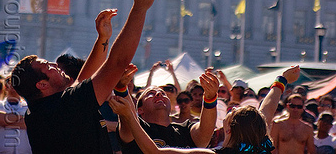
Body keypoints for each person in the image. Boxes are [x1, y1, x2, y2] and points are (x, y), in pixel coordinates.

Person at [10, 0, 163, 154]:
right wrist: (140, 8)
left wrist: (103, 39)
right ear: (42, 85)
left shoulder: (42, 110)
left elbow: (83, 79)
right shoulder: (63, 107)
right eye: (48, 66)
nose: (55, 64)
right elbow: (117, 63)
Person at [109, 66, 300, 154]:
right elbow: (266, 110)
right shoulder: (261, 146)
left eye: (230, 113)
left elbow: (154, 153)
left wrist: (125, 106)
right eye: (151, 94)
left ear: (228, 129)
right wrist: (281, 81)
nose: (159, 94)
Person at [117, 69, 219, 153]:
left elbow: (204, 134)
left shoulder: (185, 130)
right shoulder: (137, 127)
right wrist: (121, 88)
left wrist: (210, 98)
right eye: (150, 94)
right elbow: (127, 116)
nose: (159, 94)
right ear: (140, 110)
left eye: (162, 93)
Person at [0, 75, 32, 154]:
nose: (15, 87)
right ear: (6, 86)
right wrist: (22, 118)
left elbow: (31, 123)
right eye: (12, 84)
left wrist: (5, 122)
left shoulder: (28, 107)